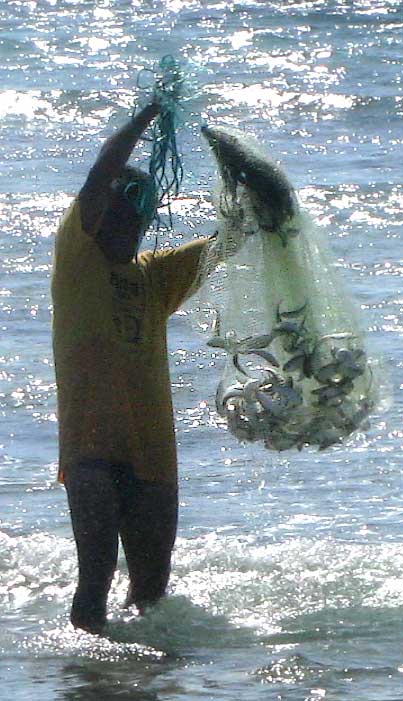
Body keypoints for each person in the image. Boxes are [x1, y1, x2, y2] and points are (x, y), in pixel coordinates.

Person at [52, 100, 211, 634]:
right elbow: (101, 174)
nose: (131, 223)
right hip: (91, 450)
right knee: (93, 583)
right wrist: (146, 116)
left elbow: (225, 245)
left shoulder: (154, 277)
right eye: (121, 210)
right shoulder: (78, 256)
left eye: (140, 215)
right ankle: (87, 677)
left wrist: (264, 207)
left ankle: (143, 679)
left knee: (151, 594)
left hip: (153, 455)